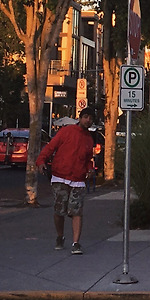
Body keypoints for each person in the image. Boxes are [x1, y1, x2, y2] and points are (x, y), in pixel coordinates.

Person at [36, 106, 98, 255]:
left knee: (76, 212)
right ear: (80, 118)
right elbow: (50, 147)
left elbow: (88, 159)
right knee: (59, 211)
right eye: (85, 117)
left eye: (90, 119)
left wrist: (90, 169)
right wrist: (41, 161)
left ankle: (76, 243)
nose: (88, 120)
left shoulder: (89, 139)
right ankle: (60, 236)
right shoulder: (66, 131)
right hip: (60, 177)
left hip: (78, 180)